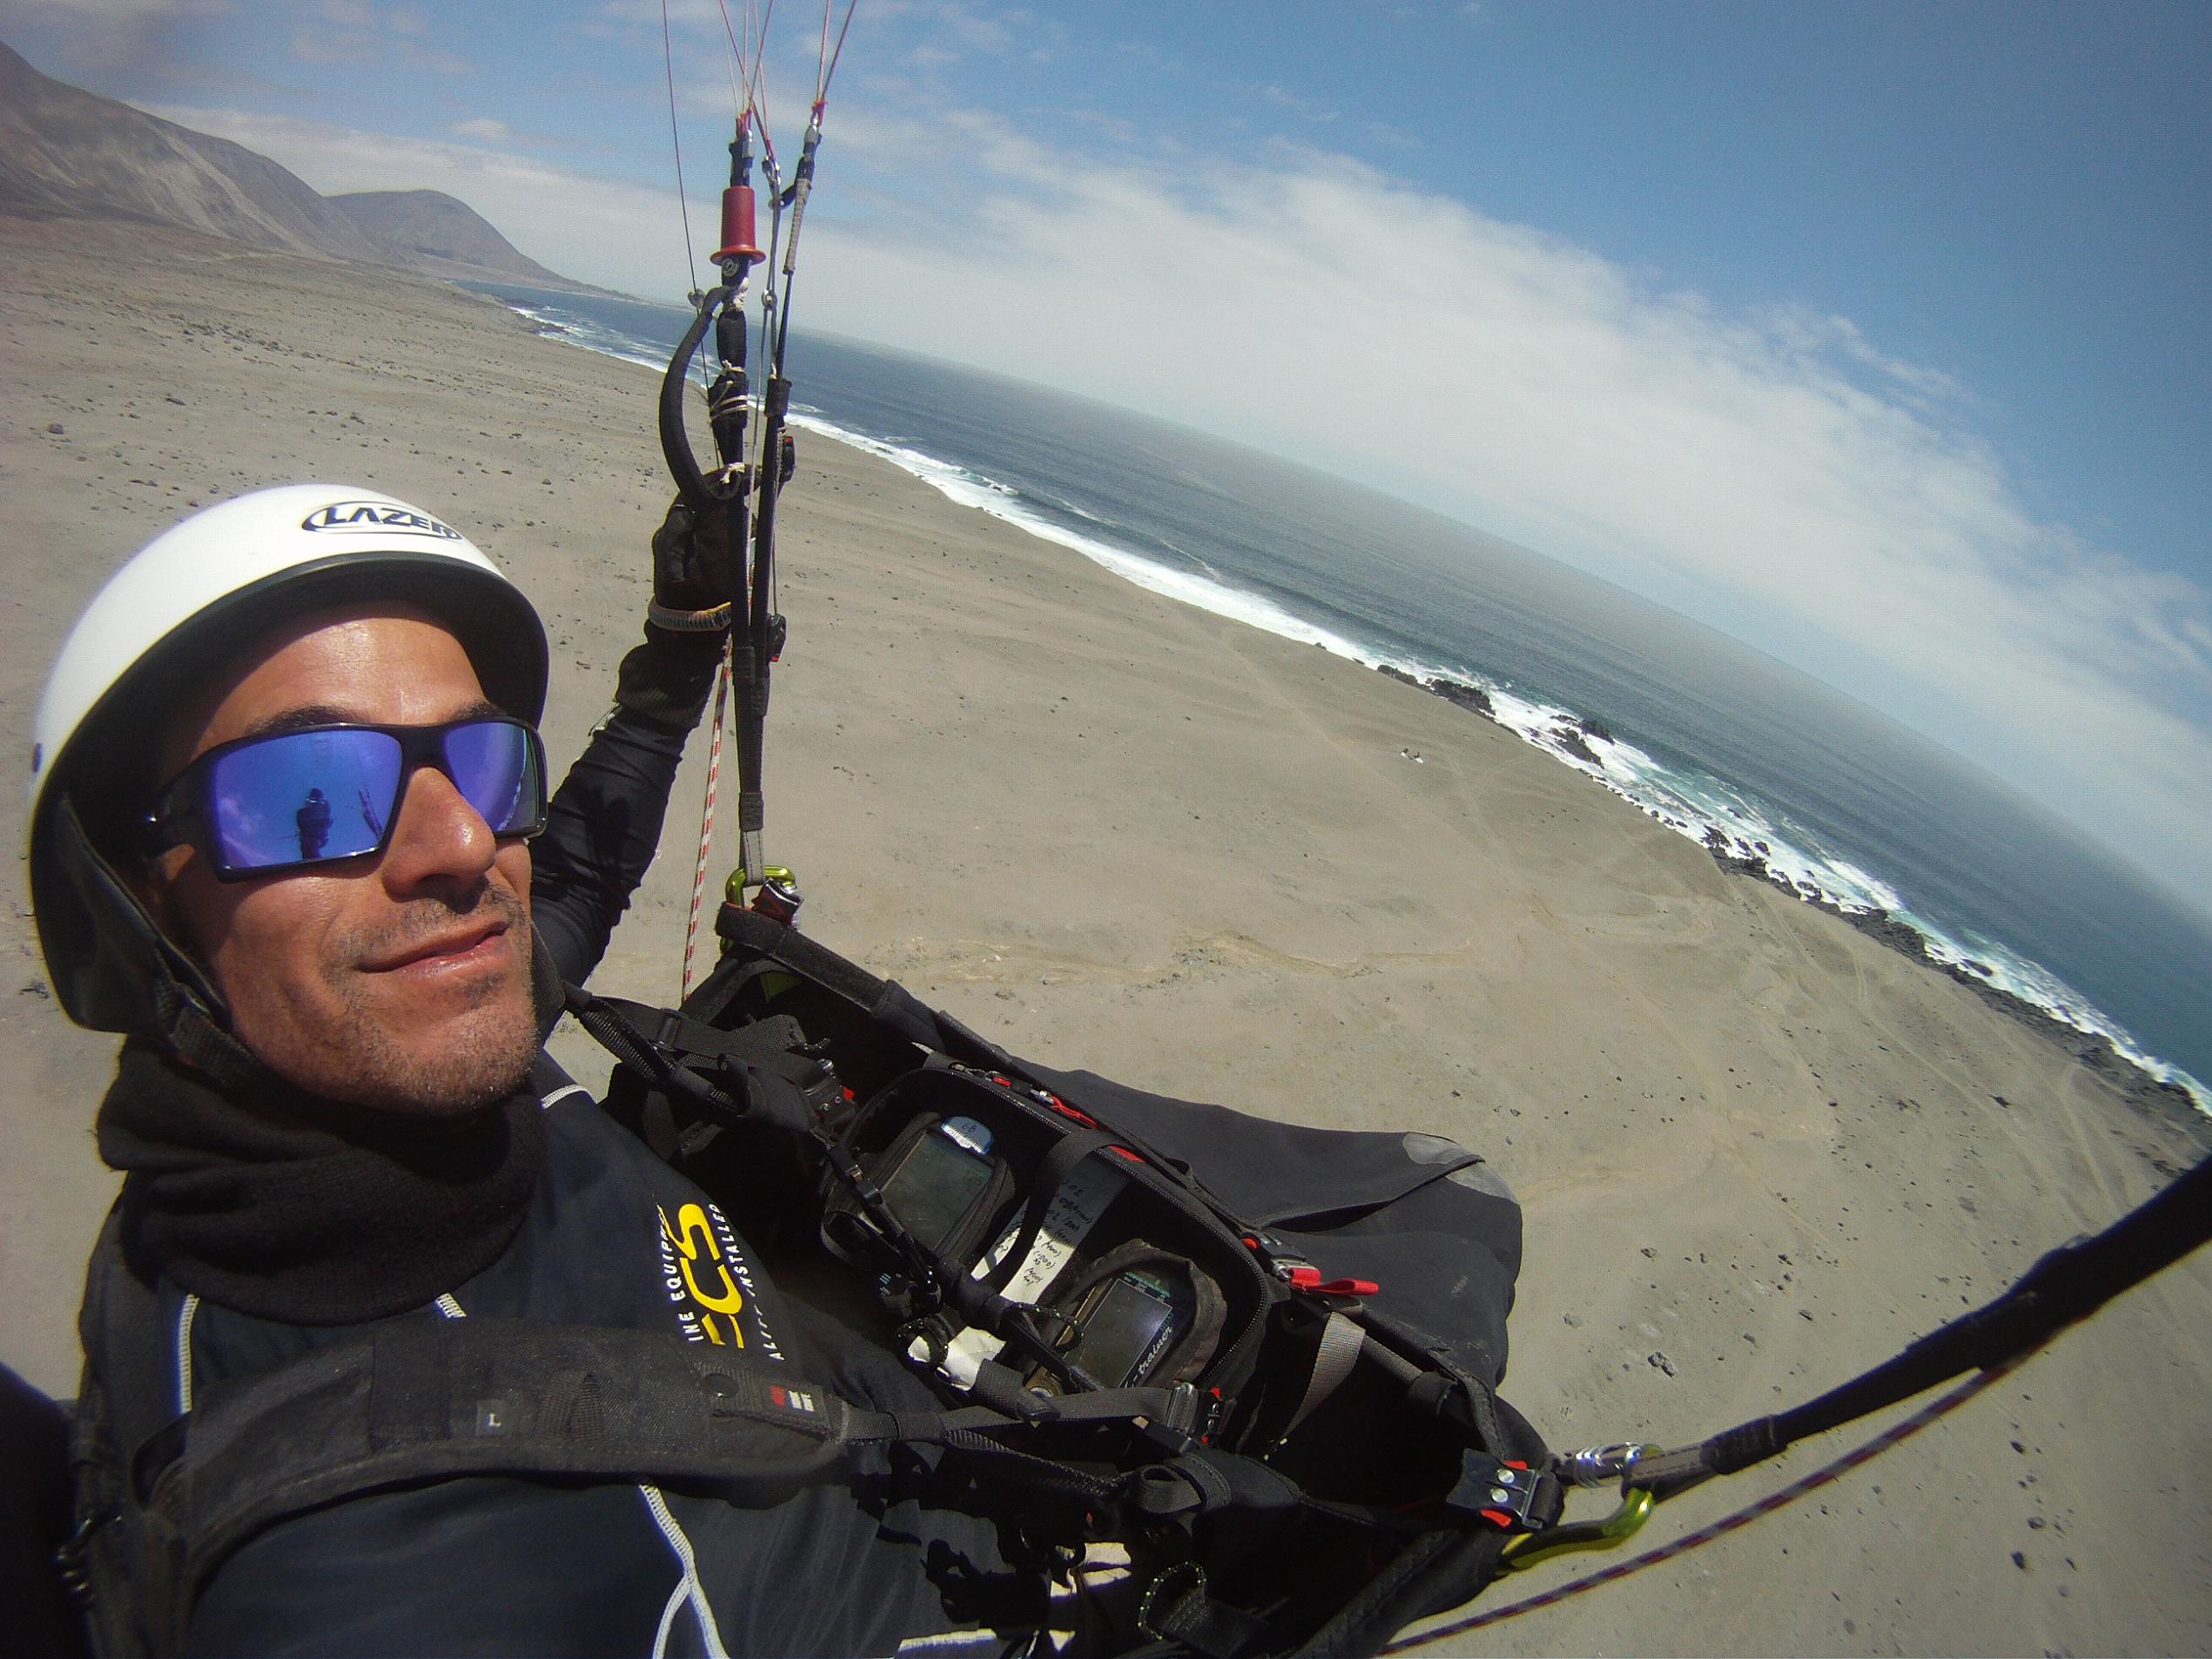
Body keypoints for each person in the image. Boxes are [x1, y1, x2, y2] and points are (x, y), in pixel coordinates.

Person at [28, 484, 1034, 1656]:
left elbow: (572, 882)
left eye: (481, 763)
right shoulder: (345, 1586)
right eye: (310, 800)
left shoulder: (415, 1047)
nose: (462, 844)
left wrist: (675, 653)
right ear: (134, 901)